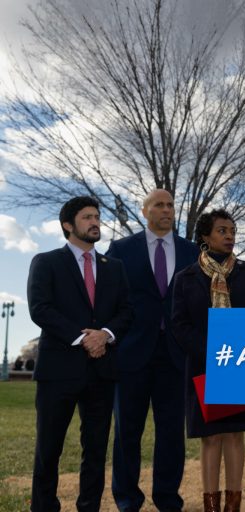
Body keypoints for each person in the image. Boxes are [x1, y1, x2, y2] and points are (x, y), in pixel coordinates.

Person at [27, 196, 133, 512]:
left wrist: (106, 335)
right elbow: (40, 309)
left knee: (96, 450)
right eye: (87, 217)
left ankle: (89, 507)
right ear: (68, 225)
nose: (95, 221)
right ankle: (44, 507)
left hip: (102, 370)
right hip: (58, 369)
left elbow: (127, 311)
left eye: (97, 216)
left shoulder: (115, 268)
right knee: (49, 448)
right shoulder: (46, 262)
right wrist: (82, 338)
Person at [107, 189, 198, 512]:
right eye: (159, 205)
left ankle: (168, 498)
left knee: (172, 433)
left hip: (176, 355)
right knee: (127, 432)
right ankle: (127, 499)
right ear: (144, 211)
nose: (166, 210)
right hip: (131, 353)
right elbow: (109, 298)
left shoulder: (191, 251)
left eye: (171, 205)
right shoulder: (121, 249)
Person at [172, 209, 245, 512]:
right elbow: (179, 325)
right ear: (205, 237)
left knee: (235, 436)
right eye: (222, 230)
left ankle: (233, 505)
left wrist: (240, 351)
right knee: (211, 439)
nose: (230, 236)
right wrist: (210, 351)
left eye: (233, 231)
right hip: (204, 366)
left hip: (241, 365)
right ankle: (211, 506)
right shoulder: (185, 278)